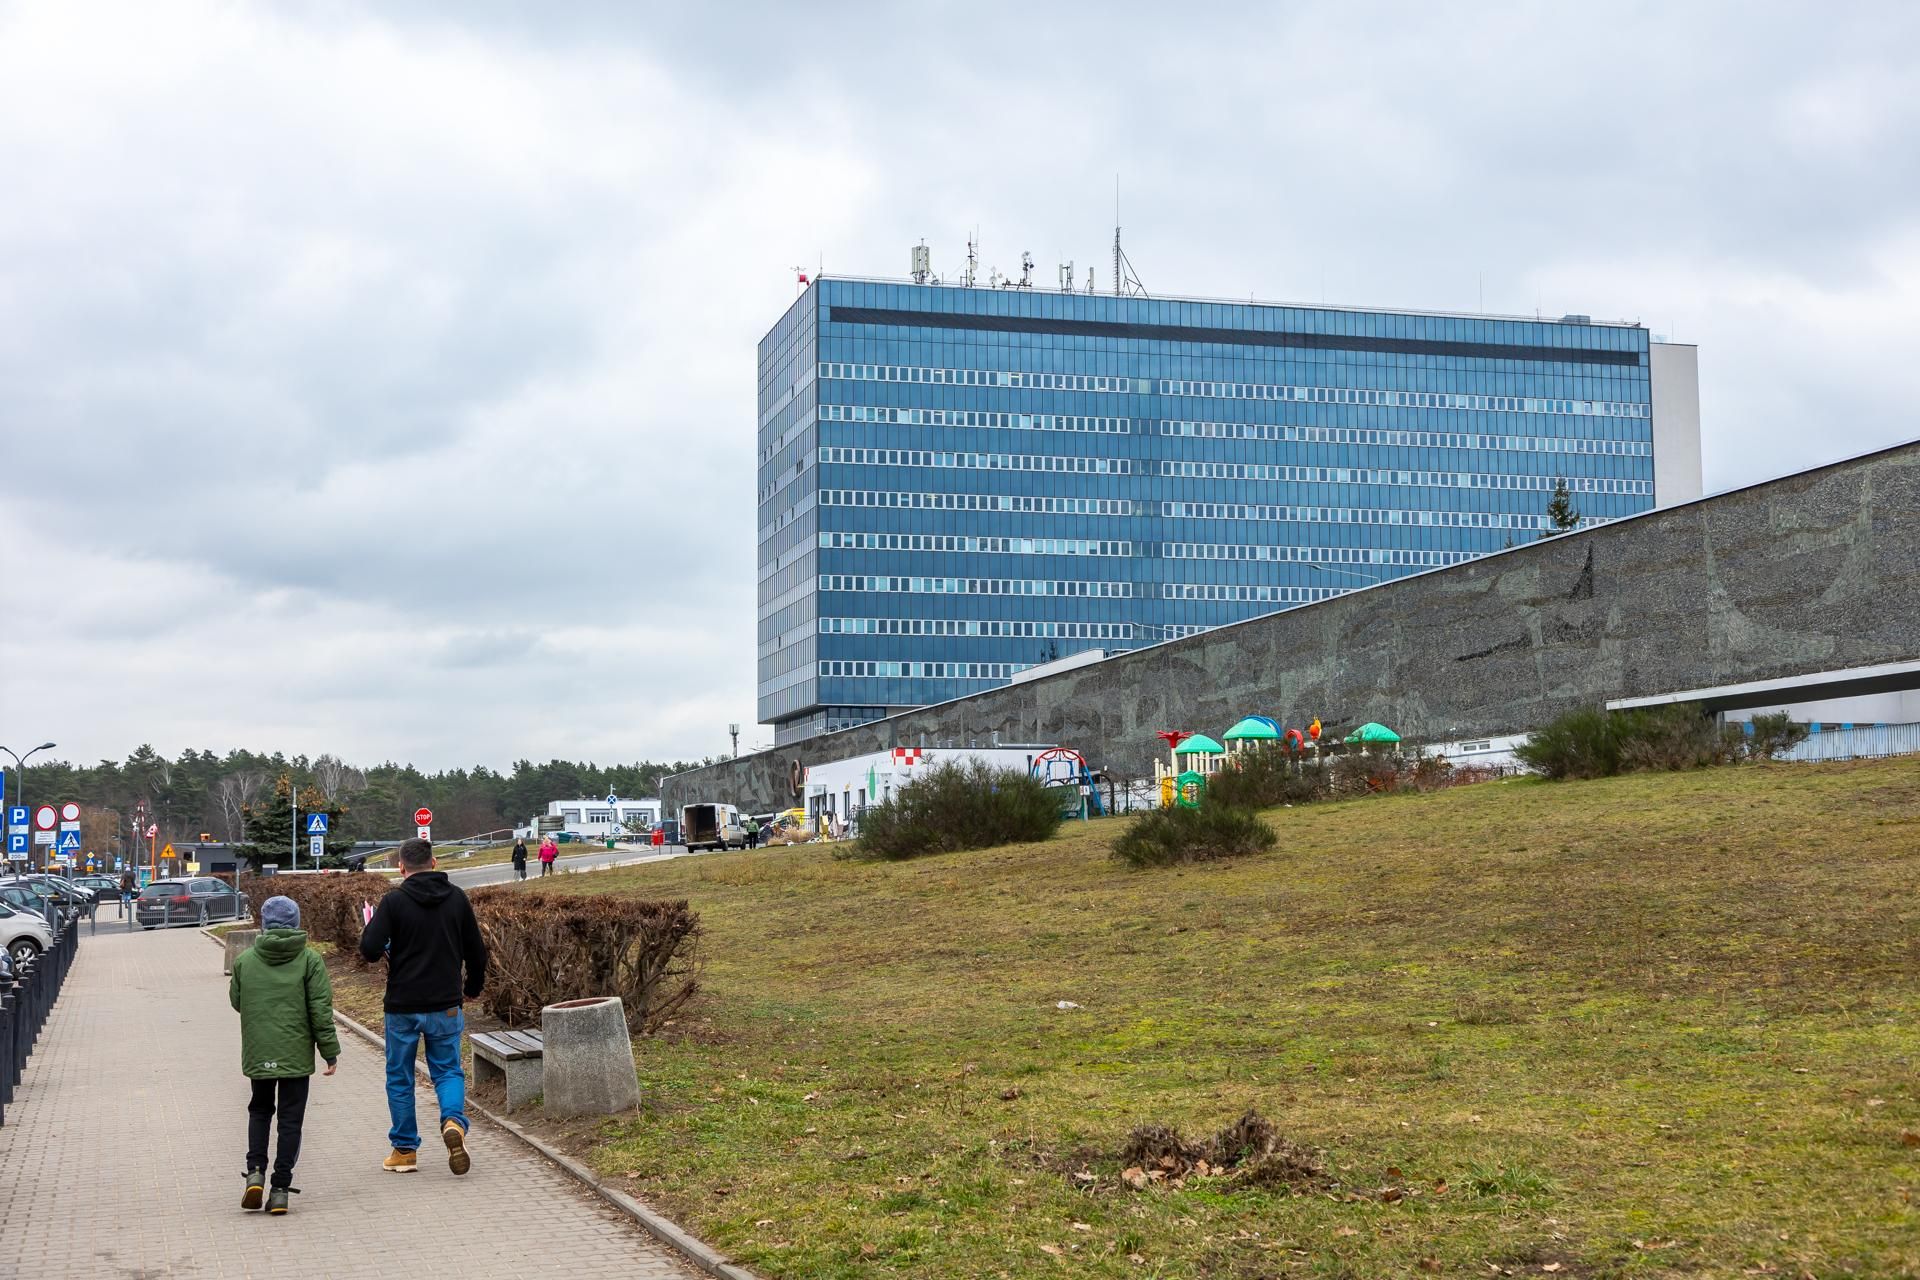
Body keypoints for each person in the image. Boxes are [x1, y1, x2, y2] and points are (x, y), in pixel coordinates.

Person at [357, 838, 487, 1176]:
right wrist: (472, 987)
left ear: (402, 866)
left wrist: (383, 945)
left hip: (402, 1004)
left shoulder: (394, 901)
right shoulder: (457, 899)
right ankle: (454, 1123)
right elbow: (476, 951)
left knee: (400, 1076)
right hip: (445, 1003)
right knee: (447, 1070)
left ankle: (404, 1150)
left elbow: (369, 948)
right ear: (434, 862)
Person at [230, 895, 340, 1216]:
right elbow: (320, 1011)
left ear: (264, 924)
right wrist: (329, 1052)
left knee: (260, 1110)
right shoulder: (309, 960)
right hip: (295, 1056)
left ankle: (255, 1172)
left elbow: (237, 1001)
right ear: (296, 924)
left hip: (259, 1052)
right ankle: (279, 1188)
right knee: (290, 1121)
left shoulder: (245, 961)